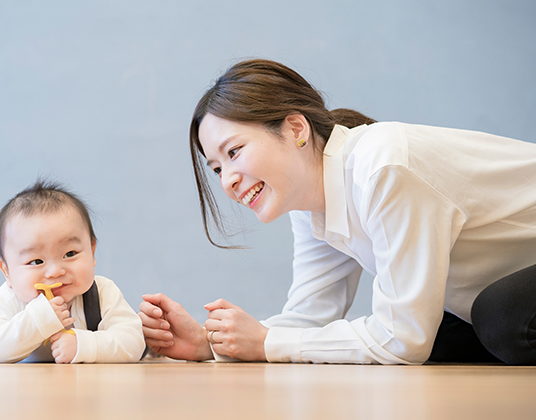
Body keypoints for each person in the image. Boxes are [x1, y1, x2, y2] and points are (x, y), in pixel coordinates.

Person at [139, 59, 536, 365]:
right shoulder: (311, 201)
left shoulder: (383, 167)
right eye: (217, 169)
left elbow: (401, 340)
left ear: (296, 129)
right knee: (445, 335)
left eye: (234, 152)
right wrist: (212, 346)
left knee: (499, 318)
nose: (227, 181)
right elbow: (310, 318)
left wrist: (266, 344)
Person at [0, 180, 145, 363]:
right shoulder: (10, 298)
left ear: (92, 251)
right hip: (9, 316)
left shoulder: (103, 292)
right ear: (6, 271)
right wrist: (37, 320)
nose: (56, 271)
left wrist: (84, 345)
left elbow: (133, 341)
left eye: (70, 254)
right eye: (36, 261)